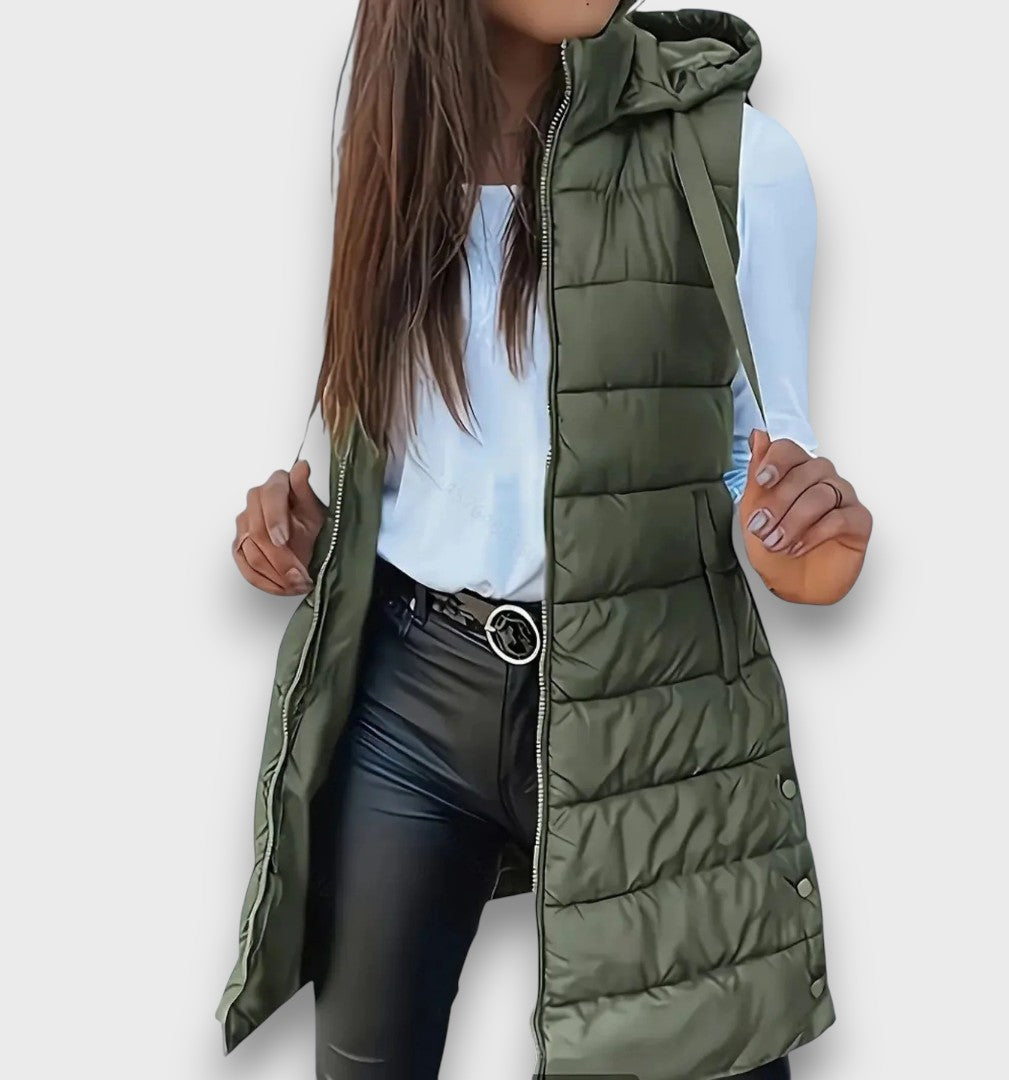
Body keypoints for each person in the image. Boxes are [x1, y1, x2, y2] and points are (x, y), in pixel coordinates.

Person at [215, 3, 873, 1078]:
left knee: (693, 1046)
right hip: (410, 696)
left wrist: (801, 539)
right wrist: (315, 525)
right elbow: (384, 419)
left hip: (655, 713)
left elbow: (763, 457)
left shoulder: (738, 156)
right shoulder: (383, 130)